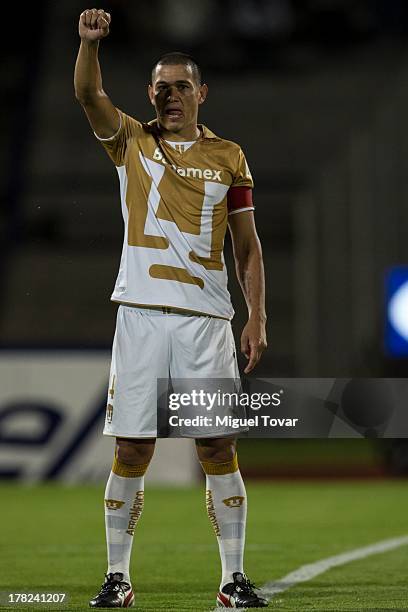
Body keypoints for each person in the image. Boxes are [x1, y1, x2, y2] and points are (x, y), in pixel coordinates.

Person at [74, 8, 268, 609]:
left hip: (207, 321)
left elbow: (247, 244)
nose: (172, 94)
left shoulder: (230, 156)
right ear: (150, 94)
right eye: (162, 86)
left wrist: (256, 315)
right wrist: (88, 44)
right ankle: (116, 578)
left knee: (217, 449)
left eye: (183, 85)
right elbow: (87, 93)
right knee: (132, 449)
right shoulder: (131, 140)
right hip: (139, 314)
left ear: (202, 93)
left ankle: (233, 581)